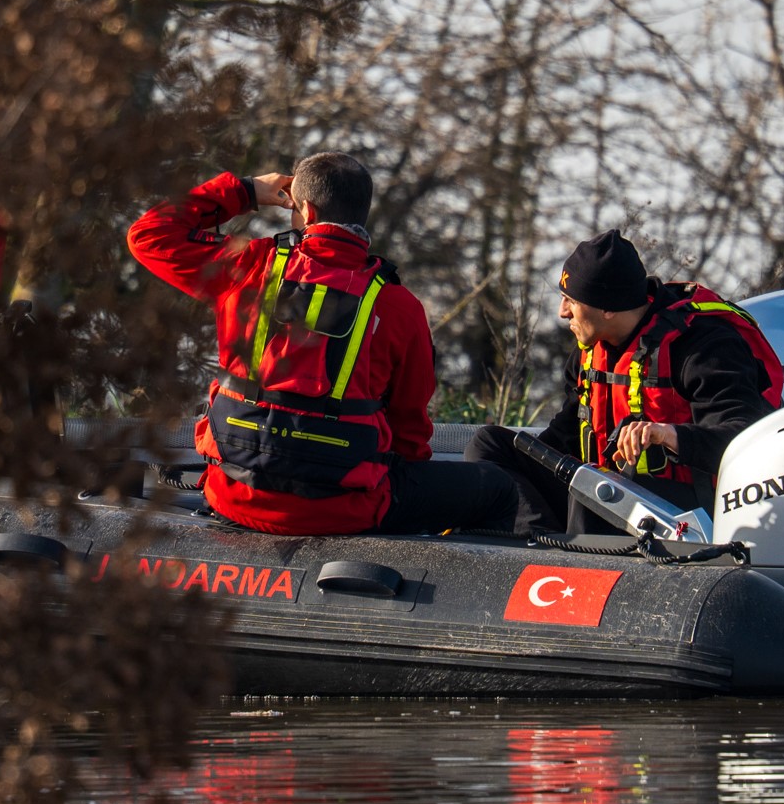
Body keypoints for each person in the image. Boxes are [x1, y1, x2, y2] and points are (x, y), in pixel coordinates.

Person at [127, 154, 521, 537]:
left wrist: (245, 191)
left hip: (234, 496)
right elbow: (409, 429)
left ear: (308, 213)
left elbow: (148, 235)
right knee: (499, 488)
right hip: (346, 510)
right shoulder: (401, 307)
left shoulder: (248, 266)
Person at [466, 230, 784, 534]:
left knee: (593, 491)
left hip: (686, 515)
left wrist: (669, 435)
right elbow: (563, 439)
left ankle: (562, 561)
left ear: (607, 308)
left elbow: (745, 440)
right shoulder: (589, 353)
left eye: (571, 301)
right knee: (491, 443)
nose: (562, 312)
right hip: (608, 498)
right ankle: (535, 548)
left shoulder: (704, 346)